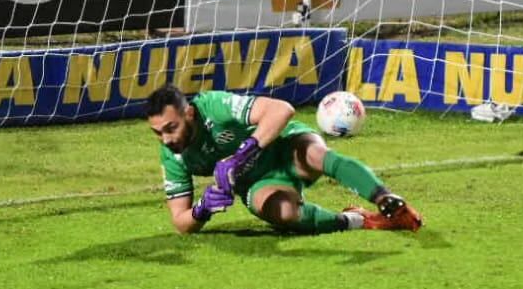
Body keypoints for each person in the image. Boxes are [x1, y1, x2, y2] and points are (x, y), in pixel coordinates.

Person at [144, 86, 423, 235]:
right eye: (158, 133)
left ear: (189, 114)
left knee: (315, 154)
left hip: (285, 146)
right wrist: (202, 209)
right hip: (259, 182)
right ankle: (359, 220)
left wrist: (241, 155)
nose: (166, 139)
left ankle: (386, 199)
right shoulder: (173, 155)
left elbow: (282, 110)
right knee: (285, 213)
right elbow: (180, 222)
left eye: (171, 128)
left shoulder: (213, 106)